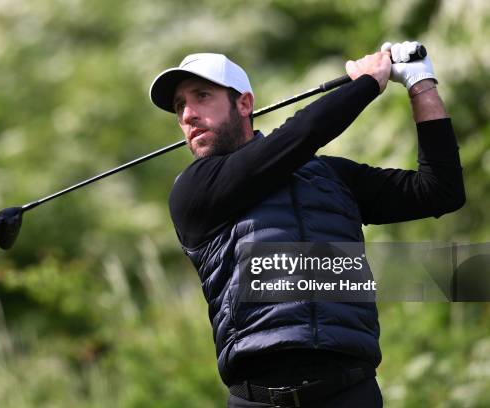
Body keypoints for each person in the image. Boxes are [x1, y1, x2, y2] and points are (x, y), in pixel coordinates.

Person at [149, 42, 465, 407]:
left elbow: (441, 191)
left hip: (350, 393)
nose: (187, 114)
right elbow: (298, 136)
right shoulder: (193, 190)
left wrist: (420, 83)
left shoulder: (333, 176)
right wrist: (364, 84)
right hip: (258, 399)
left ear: (244, 104)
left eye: (201, 96)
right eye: (179, 106)